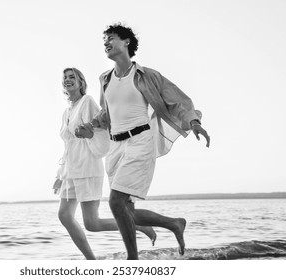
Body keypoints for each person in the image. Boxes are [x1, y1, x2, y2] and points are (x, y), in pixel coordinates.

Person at [75, 24, 211, 260]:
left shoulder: (147, 75)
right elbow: (106, 115)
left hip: (140, 141)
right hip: (115, 146)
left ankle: (132, 261)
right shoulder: (105, 79)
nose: (106, 43)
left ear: (126, 42)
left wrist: (194, 122)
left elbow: (177, 101)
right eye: (104, 40)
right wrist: (90, 125)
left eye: (112, 38)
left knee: (116, 202)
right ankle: (173, 223)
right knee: (124, 209)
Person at [53, 67, 157, 260]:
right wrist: (59, 176)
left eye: (72, 77)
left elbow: (103, 131)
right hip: (70, 171)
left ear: (81, 82)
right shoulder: (67, 111)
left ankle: (137, 225)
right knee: (64, 216)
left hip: (87, 168)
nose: (68, 80)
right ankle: (91, 261)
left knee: (92, 223)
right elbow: (67, 146)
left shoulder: (88, 102)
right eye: (65, 78)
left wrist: (90, 134)